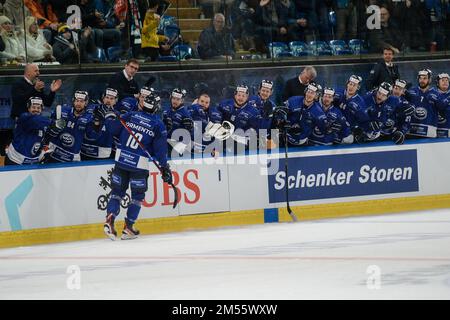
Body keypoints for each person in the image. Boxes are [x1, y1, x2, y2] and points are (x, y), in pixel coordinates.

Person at [103, 93, 172, 240]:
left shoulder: (130, 115)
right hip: (139, 165)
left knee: (117, 192)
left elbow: (113, 129)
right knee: (137, 197)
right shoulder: (158, 124)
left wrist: (109, 116)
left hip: (121, 161)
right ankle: (128, 228)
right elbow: (160, 151)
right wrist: (165, 168)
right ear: (157, 107)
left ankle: (109, 221)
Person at [4, 97, 65, 165]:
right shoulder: (24, 117)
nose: (36, 110)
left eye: (38, 108)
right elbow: (35, 120)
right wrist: (54, 123)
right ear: (28, 108)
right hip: (15, 161)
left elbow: (45, 140)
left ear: (42, 109)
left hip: (32, 163)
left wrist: (56, 130)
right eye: (33, 107)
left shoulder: (43, 123)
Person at [44, 91, 98, 163]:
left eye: (81, 101)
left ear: (86, 103)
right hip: (53, 154)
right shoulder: (62, 110)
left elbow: (92, 136)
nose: (78, 104)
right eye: (77, 101)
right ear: (73, 101)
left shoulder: (89, 118)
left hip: (72, 158)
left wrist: (97, 123)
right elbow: (48, 131)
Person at [275, 82, 327, 147]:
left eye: (312, 93)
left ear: (316, 96)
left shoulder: (318, 111)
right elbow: (280, 114)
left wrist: (329, 128)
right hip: (284, 138)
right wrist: (281, 121)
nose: (309, 95)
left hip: (302, 143)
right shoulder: (293, 100)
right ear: (305, 91)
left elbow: (324, 129)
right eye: (308, 91)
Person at [215, 84, 262, 153]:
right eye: (239, 95)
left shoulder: (254, 112)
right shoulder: (224, 104)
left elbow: (255, 133)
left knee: (235, 149)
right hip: (224, 137)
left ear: (247, 97)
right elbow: (215, 118)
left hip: (241, 141)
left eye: (243, 96)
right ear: (235, 95)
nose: (241, 98)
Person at [81, 87, 119, 160]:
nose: (108, 100)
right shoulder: (92, 108)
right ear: (103, 98)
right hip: (85, 150)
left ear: (115, 101)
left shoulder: (117, 115)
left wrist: (105, 118)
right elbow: (84, 123)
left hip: (102, 154)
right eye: (107, 97)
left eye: (112, 99)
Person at [406, 69, 438, 138]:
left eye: (425, 78)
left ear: (429, 80)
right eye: (420, 78)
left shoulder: (436, 94)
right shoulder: (411, 92)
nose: (422, 80)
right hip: (411, 133)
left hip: (429, 133)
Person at [162, 88, 194, 156]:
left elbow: (189, 134)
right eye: (173, 98)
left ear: (182, 100)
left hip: (178, 147)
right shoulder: (166, 111)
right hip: (167, 143)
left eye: (178, 99)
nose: (175, 101)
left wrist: (190, 129)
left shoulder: (186, 114)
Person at [434, 73, 450, 138]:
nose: (445, 82)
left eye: (447, 80)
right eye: (442, 80)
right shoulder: (432, 94)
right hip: (435, 131)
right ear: (437, 83)